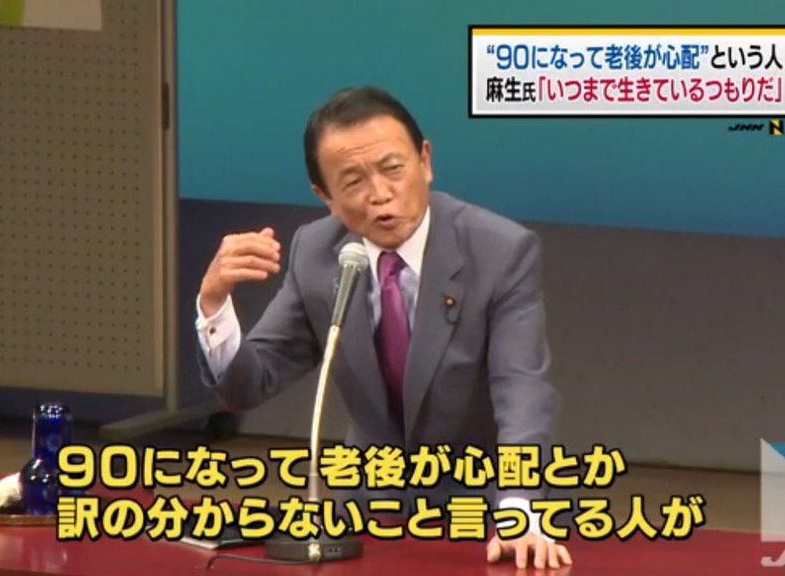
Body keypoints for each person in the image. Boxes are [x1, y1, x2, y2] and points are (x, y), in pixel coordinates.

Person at [194, 86, 571, 569]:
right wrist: (213, 302)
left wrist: (518, 507)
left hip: (483, 513)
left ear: (425, 162)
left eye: (393, 168)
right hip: (368, 514)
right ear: (326, 198)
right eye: (353, 181)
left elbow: (521, 390)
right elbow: (248, 385)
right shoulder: (317, 253)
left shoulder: (500, 250)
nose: (380, 194)